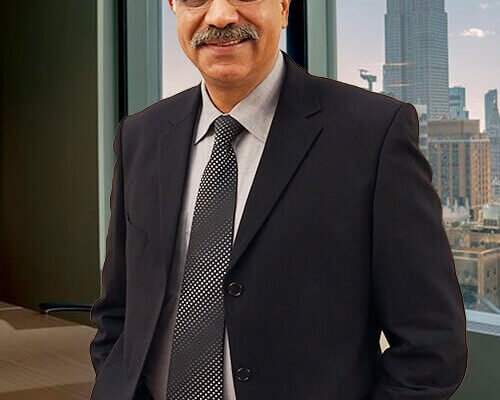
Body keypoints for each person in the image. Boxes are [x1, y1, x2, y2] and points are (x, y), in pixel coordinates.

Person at [89, 0, 468, 399]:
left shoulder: (373, 134)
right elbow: (118, 313)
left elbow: (432, 348)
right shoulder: (141, 135)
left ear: (285, 7)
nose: (220, 16)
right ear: (174, 7)